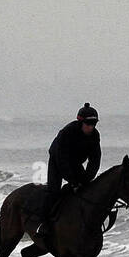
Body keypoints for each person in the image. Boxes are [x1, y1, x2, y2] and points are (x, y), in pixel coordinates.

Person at [38, 103, 101, 244]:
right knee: (54, 190)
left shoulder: (95, 135)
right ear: (80, 122)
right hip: (57, 159)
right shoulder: (67, 132)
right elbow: (62, 161)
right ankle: (44, 224)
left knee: (84, 188)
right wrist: (73, 182)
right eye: (88, 123)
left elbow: (95, 161)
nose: (91, 127)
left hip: (75, 162)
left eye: (94, 124)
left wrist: (87, 179)